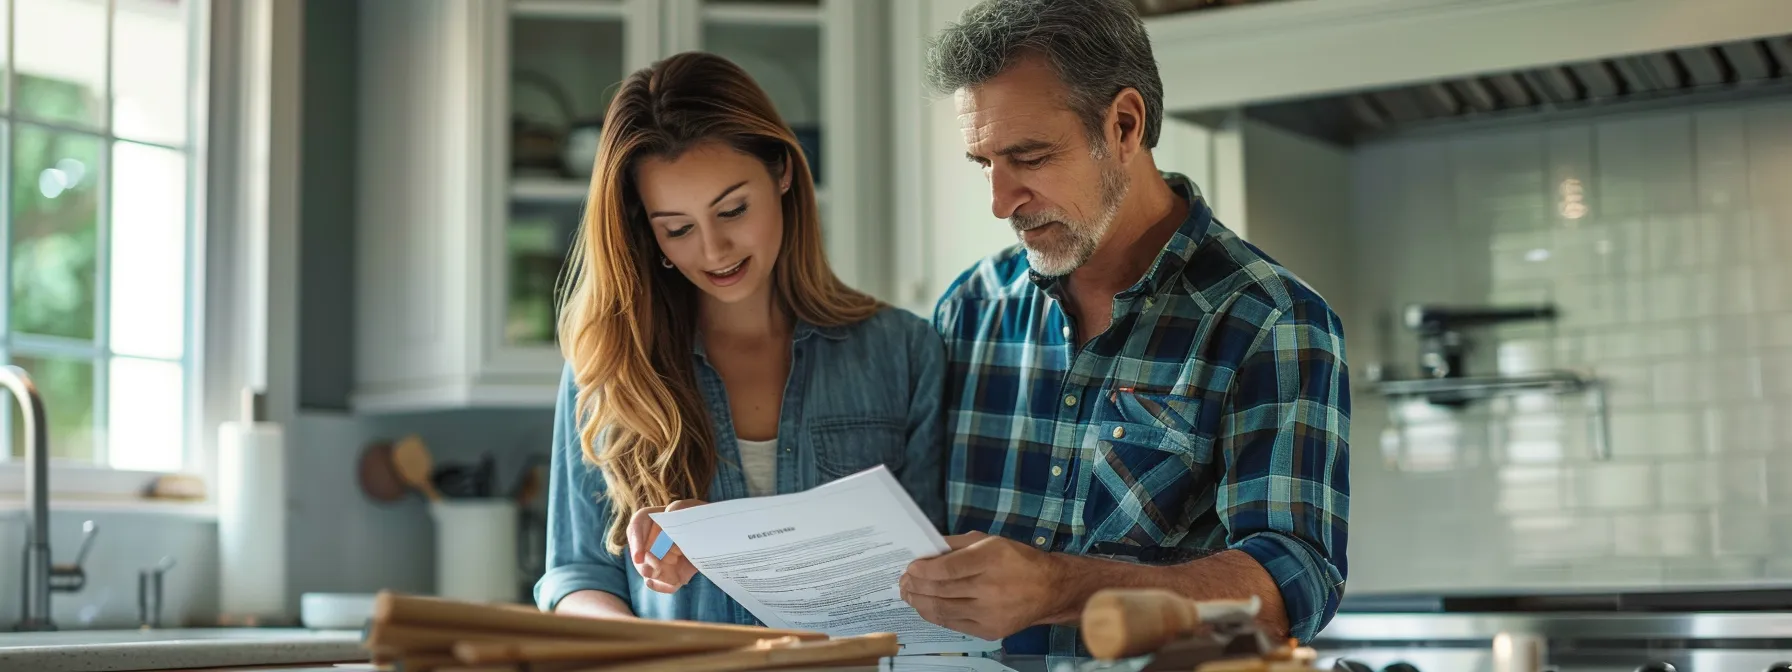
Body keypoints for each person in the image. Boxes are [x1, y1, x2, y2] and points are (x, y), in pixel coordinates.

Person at [899, 0, 1351, 657]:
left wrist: (1059, 585)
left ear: (1124, 125)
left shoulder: (1271, 322)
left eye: (1029, 157)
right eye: (984, 164)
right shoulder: (970, 308)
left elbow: (1293, 578)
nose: (1001, 202)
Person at [536, 51, 946, 625]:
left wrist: (734, 545)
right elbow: (576, 576)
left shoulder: (904, 352)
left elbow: (935, 577)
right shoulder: (607, 366)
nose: (713, 250)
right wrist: (633, 640)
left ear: (782, 171)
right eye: (677, 228)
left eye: (732, 209)